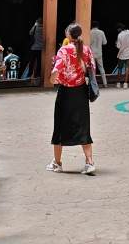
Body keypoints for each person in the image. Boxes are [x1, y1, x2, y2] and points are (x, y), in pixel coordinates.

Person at [46, 23, 96, 175]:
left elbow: (57, 70)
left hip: (66, 93)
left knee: (60, 126)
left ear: (68, 35)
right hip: (81, 93)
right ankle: (89, 162)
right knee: (83, 126)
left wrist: (52, 80)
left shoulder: (64, 50)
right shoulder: (86, 49)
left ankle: (57, 163)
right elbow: (92, 68)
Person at [89, 22, 108, 87]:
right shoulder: (101, 32)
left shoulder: (90, 32)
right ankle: (105, 83)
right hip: (99, 52)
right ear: (98, 26)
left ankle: (94, 84)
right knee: (101, 68)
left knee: (93, 69)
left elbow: (88, 43)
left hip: (92, 53)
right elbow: (105, 42)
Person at [115, 23, 129, 89]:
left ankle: (119, 83)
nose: (117, 30)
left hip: (122, 54)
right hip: (128, 53)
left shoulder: (119, 35)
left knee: (120, 68)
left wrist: (116, 43)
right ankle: (125, 83)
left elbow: (118, 46)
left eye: (118, 29)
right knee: (127, 68)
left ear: (120, 29)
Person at [27, 18, 43, 83]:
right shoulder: (44, 28)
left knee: (32, 62)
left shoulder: (35, 27)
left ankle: (29, 74)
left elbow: (30, 33)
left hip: (34, 47)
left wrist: (35, 24)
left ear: (37, 22)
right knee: (39, 62)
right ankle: (37, 74)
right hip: (41, 48)